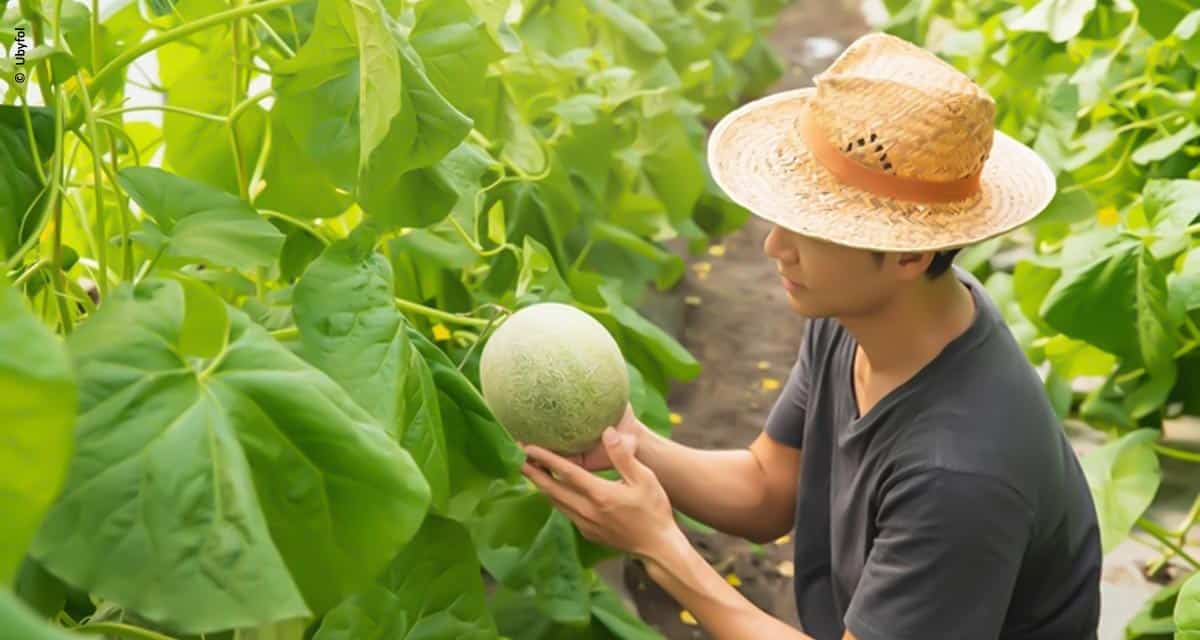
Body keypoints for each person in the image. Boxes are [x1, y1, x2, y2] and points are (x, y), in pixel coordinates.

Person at [519, 32, 1103, 640]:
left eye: (814, 228)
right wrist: (628, 443)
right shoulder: (862, 320)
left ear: (910, 254)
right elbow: (767, 487)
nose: (775, 246)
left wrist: (662, 547)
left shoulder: (959, 474)